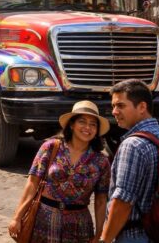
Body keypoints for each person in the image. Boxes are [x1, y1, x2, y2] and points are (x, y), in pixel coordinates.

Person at [8, 101, 110, 242]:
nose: (88, 127)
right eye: (82, 122)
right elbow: (32, 183)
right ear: (72, 125)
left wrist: (99, 234)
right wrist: (17, 217)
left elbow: (101, 200)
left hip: (79, 226)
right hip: (44, 220)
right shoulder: (51, 147)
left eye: (93, 124)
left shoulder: (101, 161)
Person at [99, 79, 159, 243]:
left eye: (120, 105)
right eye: (113, 106)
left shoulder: (132, 145)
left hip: (133, 235)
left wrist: (104, 240)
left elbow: (123, 201)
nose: (114, 111)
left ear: (142, 107)